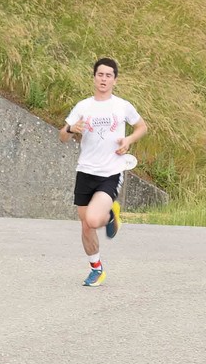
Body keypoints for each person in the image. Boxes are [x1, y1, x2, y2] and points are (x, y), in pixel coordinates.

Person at [61, 57, 146, 286]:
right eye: (100, 74)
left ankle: (110, 214)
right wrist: (70, 128)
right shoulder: (83, 106)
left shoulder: (122, 106)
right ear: (94, 78)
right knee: (86, 225)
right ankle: (96, 269)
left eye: (109, 75)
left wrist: (128, 140)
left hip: (110, 172)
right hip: (85, 171)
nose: (104, 79)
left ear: (114, 80)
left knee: (93, 219)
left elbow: (142, 127)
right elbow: (62, 136)